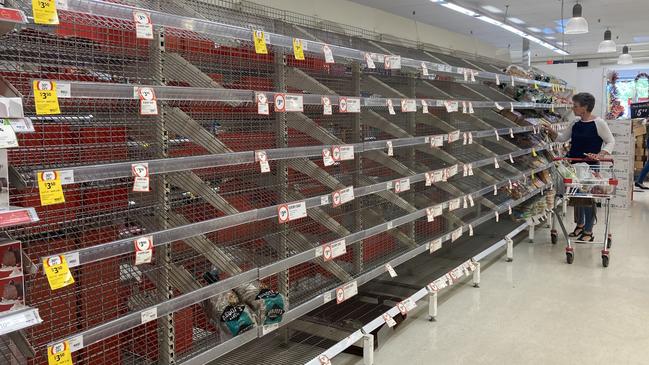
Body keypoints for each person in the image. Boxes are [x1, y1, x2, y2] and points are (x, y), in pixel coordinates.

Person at [546, 93, 615, 242]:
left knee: (588, 198)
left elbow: (610, 141)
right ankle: (580, 225)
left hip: (590, 167)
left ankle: (589, 231)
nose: (573, 108)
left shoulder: (599, 123)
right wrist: (550, 130)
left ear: (584, 108)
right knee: (577, 197)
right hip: (574, 165)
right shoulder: (576, 122)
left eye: (575, 106)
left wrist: (601, 154)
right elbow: (562, 138)